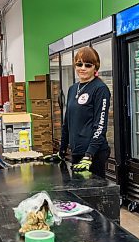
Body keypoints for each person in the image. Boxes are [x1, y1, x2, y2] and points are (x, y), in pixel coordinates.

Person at [44, 46, 111, 178]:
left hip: (93, 154)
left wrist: (89, 155)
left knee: (91, 194)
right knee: (77, 193)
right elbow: (67, 123)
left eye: (88, 65)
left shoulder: (100, 89)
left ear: (95, 68)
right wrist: (61, 151)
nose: (83, 68)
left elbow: (100, 125)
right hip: (77, 151)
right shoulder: (73, 89)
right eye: (79, 64)